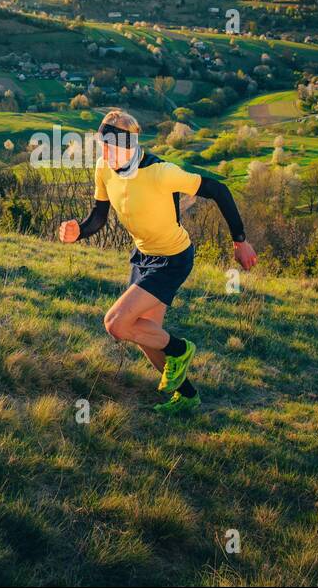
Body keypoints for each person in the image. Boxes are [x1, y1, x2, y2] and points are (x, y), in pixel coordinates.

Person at [58, 110, 256, 417]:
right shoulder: (103, 168)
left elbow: (219, 190)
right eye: (102, 145)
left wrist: (240, 240)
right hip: (142, 257)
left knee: (117, 324)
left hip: (173, 258)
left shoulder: (162, 172)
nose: (104, 153)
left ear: (129, 146)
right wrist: (79, 231)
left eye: (110, 146)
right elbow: (99, 215)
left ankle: (181, 349)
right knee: (147, 335)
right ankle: (187, 396)